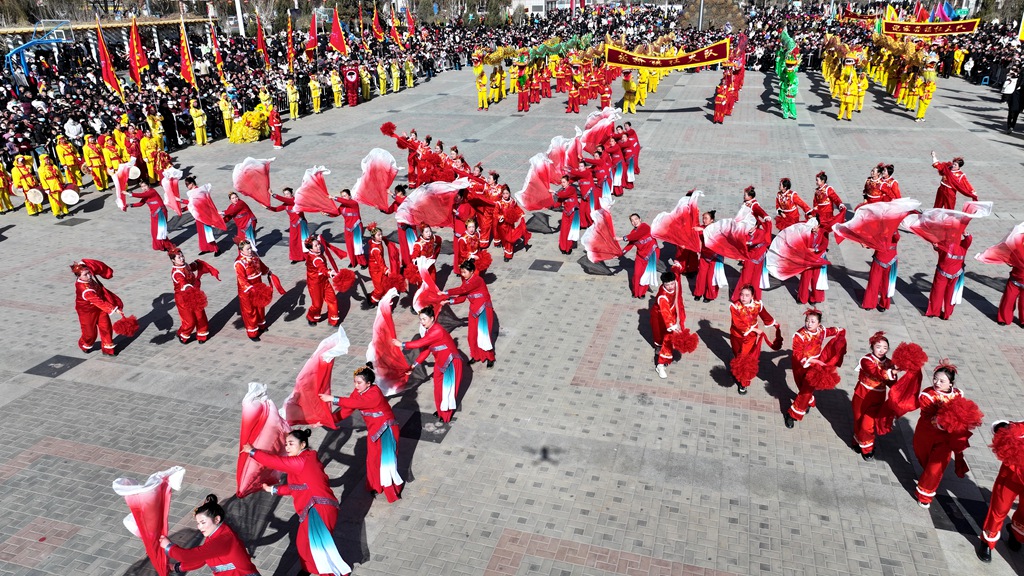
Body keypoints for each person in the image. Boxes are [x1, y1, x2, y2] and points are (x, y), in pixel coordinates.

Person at [241, 429, 351, 576]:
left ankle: (335, 573)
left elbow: (276, 462)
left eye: (291, 443)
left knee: (319, 548)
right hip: (313, 509)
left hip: (320, 510)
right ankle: (308, 570)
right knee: (303, 544)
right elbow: (297, 487)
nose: (287, 447)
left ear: (303, 444)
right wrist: (272, 489)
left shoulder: (302, 461)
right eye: (286, 444)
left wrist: (253, 451)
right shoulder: (303, 460)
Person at [319, 365, 404, 503]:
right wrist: (327, 420)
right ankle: (375, 486)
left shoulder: (374, 394)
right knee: (372, 459)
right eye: (355, 382)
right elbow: (347, 409)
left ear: (369, 383)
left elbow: (355, 403)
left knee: (387, 461)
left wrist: (333, 399)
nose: (356, 385)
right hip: (374, 430)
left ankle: (392, 490)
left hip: (386, 429)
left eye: (359, 383)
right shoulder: (358, 392)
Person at [392, 306, 464, 424]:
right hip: (440, 363)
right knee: (438, 389)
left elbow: (420, 343)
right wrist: (413, 366)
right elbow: (426, 350)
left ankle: (446, 415)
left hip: (450, 362)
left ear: (432, 318)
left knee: (447, 391)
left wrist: (402, 344)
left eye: (424, 319)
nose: (422, 322)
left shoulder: (437, 330)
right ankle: (441, 410)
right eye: (420, 319)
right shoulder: (429, 331)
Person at [913, 361, 971, 509]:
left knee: (936, 467)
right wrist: (944, 419)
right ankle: (929, 478)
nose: (937, 383)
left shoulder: (958, 394)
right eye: (935, 379)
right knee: (924, 459)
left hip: (946, 438)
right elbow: (927, 417)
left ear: (951, 383)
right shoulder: (927, 395)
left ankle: (924, 495)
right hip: (926, 433)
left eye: (942, 381)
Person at [159, 494, 261, 576]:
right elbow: (202, 559)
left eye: (203, 522)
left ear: (216, 519)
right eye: (198, 523)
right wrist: (176, 567)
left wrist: (168, 546)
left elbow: (187, 556)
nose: (199, 527)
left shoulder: (224, 540)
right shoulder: (213, 536)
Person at [784, 309, 846, 428]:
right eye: (807, 320)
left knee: (806, 390)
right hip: (800, 365)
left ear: (818, 323)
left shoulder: (821, 330)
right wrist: (813, 360)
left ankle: (792, 415)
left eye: (813, 321)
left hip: (814, 367)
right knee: (802, 386)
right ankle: (807, 402)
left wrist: (839, 330)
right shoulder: (799, 335)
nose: (809, 324)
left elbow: (829, 331)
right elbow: (797, 354)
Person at [977, 419, 1024, 563]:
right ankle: (987, 542)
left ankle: (1016, 534)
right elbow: (1009, 430)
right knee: (999, 508)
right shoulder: (1020, 429)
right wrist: (1003, 429)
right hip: (1011, 475)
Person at [851, 332, 897, 461]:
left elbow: (891, 382)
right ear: (872, 347)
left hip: (877, 398)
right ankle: (857, 442)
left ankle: (868, 449)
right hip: (861, 396)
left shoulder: (889, 363)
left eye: (885, 348)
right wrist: (893, 371)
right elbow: (875, 372)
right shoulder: (866, 360)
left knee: (867, 425)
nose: (881, 350)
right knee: (858, 421)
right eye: (878, 347)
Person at [444, 260, 496, 368]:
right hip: (473, 311)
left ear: (472, 271)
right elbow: (462, 298)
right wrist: (448, 301)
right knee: (471, 336)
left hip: (484, 310)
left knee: (484, 336)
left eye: (465, 272)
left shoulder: (477, 280)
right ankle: (475, 356)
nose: (463, 275)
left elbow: (462, 290)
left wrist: (446, 292)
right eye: (462, 272)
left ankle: (490, 357)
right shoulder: (466, 281)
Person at [729, 285, 778, 395]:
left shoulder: (757, 304)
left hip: (750, 337)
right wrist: (756, 329)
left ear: (752, 296)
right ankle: (737, 372)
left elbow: (764, 315)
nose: (743, 297)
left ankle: (743, 383)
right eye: (742, 295)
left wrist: (773, 323)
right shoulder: (734, 306)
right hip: (736, 336)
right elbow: (738, 324)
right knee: (737, 356)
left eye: (747, 295)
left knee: (745, 359)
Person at [72, 260, 125, 356]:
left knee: (106, 327)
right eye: (85, 274)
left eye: (89, 273)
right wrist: (113, 309)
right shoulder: (84, 289)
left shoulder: (88, 280)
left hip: (100, 309)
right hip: (87, 312)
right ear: (78, 276)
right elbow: (98, 301)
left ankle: (108, 349)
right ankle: (85, 344)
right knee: (90, 333)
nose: (89, 276)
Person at [169, 247, 211, 344]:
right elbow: (182, 282)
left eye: (182, 256)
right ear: (173, 260)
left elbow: (191, 267)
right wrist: (190, 288)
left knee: (200, 315)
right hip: (183, 298)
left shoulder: (185, 265)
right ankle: (183, 334)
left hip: (193, 293)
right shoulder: (176, 273)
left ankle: (202, 334)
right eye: (179, 258)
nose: (182, 259)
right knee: (189, 320)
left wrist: (197, 264)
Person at [925, 233, 971, 320]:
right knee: (944, 293)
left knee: (943, 293)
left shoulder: (951, 244)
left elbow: (969, 239)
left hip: (948, 273)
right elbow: (968, 239)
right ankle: (942, 313)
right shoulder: (961, 245)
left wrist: (936, 245)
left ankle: (940, 312)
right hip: (949, 273)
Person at [651, 266, 686, 379]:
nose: (671, 286)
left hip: (671, 316)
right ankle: (660, 362)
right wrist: (672, 325)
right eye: (668, 285)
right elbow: (665, 310)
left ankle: (661, 363)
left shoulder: (675, 282)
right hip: (659, 317)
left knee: (667, 340)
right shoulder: (662, 296)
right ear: (663, 284)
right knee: (659, 336)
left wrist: (676, 265)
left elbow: (676, 274)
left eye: (672, 283)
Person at [234, 240, 271, 342]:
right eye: (248, 249)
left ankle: (261, 325)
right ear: (241, 250)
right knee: (250, 311)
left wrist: (268, 271)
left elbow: (261, 265)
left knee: (260, 307)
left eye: (250, 248)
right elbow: (241, 279)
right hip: (247, 290)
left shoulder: (254, 257)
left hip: (258, 285)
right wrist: (250, 288)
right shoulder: (239, 263)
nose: (250, 250)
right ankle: (252, 333)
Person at [304, 234, 339, 327]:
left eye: (318, 244)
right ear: (311, 249)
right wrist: (330, 272)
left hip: (324, 280)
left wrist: (320, 239)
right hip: (315, 284)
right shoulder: (316, 259)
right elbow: (322, 268)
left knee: (332, 299)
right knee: (317, 304)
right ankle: (311, 317)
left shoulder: (317, 253)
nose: (319, 246)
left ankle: (333, 320)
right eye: (316, 245)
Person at [622, 213, 659, 299]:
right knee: (637, 274)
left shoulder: (645, 227)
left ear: (640, 219)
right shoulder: (632, 233)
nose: (634, 222)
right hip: (640, 256)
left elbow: (637, 235)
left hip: (652, 254)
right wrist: (620, 253)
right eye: (632, 221)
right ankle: (635, 292)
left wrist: (622, 238)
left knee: (646, 274)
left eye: (636, 219)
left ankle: (642, 292)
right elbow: (630, 245)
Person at [129, 181, 175, 251]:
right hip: (154, 215)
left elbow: (140, 195)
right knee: (154, 231)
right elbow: (140, 203)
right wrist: (129, 205)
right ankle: (159, 246)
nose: (143, 188)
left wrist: (130, 194)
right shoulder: (145, 195)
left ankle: (167, 246)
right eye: (142, 187)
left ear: (149, 185)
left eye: (145, 186)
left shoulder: (152, 192)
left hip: (161, 213)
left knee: (161, 231)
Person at [267, 188, 308, 263]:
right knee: (293, 241)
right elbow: (276, 209)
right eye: (285, 194)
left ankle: (308, 258)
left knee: (304, 241)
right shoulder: (285, 205)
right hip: (293, 225)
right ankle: (296, 258)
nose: (286, 195)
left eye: (288, 194)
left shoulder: (295, 200)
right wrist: (268, 207)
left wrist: (273, 194)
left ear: (292, 194)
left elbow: (285, 200)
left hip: (301, 223)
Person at [862, 231, 900, 312]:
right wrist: (866, 243)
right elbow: (872, 240)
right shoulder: (878, 228)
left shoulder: (894, 228)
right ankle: (869, 303)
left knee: (886, 284)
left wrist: (893, 231)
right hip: (878, 258)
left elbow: (896, 238)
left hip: (891, 260)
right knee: (873, 282)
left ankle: (883, 304)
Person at [495, 185, 531, 261]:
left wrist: (521, 213)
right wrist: (500, 217)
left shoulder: (513, 201)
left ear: (510, 193)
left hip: (510, 224)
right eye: (504, 193)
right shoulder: (499, 203)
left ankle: (507, 255)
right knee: (504, 239)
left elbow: (516, 208)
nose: (505, 195)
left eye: (507, 193)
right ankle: (505, 247)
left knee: (509, 239)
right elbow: (495, 213)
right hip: (502, 225)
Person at [797, 220, 829, 305]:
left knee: (816, 279)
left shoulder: (824, 232)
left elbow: (824, 245)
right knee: (805, 278)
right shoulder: (808, 231)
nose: (812, 228)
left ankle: (814, 298)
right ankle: (802, 298)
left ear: (818, 225)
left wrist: (815, 249)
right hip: (808, 258)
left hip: (819, 259)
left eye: (814, 226)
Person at [693, 211, 722, 302]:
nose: (704, 220)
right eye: (703, 218)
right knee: (701, 275)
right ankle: (698, 293)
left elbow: (713, 236)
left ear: (712, 220)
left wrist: (702, 230)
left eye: (706, 218)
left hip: (715, 256)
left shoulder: (716, 229)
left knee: (711, 277)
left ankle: (709, 295)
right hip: (704, 254)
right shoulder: (702, 227)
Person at [334, 189, 367, 268]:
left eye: (345, 196)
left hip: (356, 227)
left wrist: (334, 197)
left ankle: (363, 262)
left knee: (357, 245)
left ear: (349, 196)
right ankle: (353, 261)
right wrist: (327, 213)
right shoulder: (342, 206)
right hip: (347, 228)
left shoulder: (354, 203)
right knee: (349, 245)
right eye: (342, 196)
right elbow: (336, 213)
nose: (343, 198)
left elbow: (346, 202)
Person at [554, 175, 581, 255]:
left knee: (570, 230)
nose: (562, 184)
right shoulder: (562, 191)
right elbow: (558, 202)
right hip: (566, 213)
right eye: (561, 182)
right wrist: (549, 204)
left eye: (564, 182)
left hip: (573, 213)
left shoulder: (572, 189)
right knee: (564, 230)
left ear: (568, 182)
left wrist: (554, 192)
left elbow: (563, 195)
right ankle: (563, 247)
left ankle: (568, 248)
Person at [38, 154, 69, 219]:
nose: (48, 161)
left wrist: (62, 182)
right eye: (46, 160)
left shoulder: (54, 166)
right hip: (51, 186)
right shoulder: (41, 169)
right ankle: (57, 213)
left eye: (48, 159)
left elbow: (60, 174)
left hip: (58, 184)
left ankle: (65, 211)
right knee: (54, 201)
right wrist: (46, 188)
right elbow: (42, 180)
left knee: (62, 198)